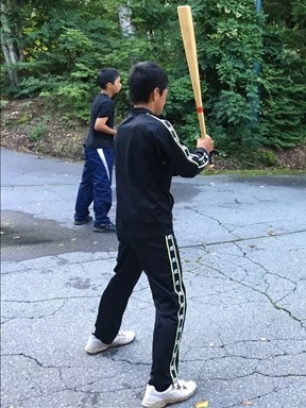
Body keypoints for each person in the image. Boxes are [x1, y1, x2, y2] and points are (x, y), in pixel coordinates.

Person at [84, 62, 214, 408]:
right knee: (172, 301)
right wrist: (205, 149)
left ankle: (101, 336)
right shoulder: (158, 126)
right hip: (154, 226)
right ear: (157, 93)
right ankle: (161, 385)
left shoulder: (125, 127)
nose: (165, 98)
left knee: (123, 279)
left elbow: (167, 164)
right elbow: (189, 166)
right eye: (165, 93)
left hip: (127, 222)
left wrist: (197, 153)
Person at [73, 68, 122, 232]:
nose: (120, 85)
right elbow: (99, 125)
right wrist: (117, 132)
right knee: (102, 183)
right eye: (118, 82)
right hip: (101, 147)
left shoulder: (98, 99)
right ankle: (101, 221)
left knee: (87, 182)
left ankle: (80, 215)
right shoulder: (107, 103)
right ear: (109, 85)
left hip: (92, 147)